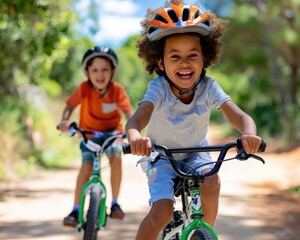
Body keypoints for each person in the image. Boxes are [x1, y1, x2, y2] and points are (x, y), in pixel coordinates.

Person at [125, 1, 263, 239]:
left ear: (205, 58)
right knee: (162, 213)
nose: (184, 63)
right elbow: (137, 119)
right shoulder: (158, 89)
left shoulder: (209, 87)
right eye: (175, 56)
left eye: (193, 55)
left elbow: (239, 115)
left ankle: (203, 232)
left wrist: (248, 133)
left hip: (195, 152)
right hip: (161, 155)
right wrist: (136, 137)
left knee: (212, 181)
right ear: (160, 62)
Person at [57, 46, 133, 227]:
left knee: (116, 157)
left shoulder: (117, 90)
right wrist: (65, 121)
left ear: (112, 71)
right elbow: (69, 106)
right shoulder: (84, 88)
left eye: (105, 69)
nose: (100, 74)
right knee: (86, 166)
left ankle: (115, 203)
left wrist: (133, 131)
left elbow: (129, 113)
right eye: (95, 70)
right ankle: (75, 210)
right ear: (87, 73)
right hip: (88, 134)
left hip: (112, 133)